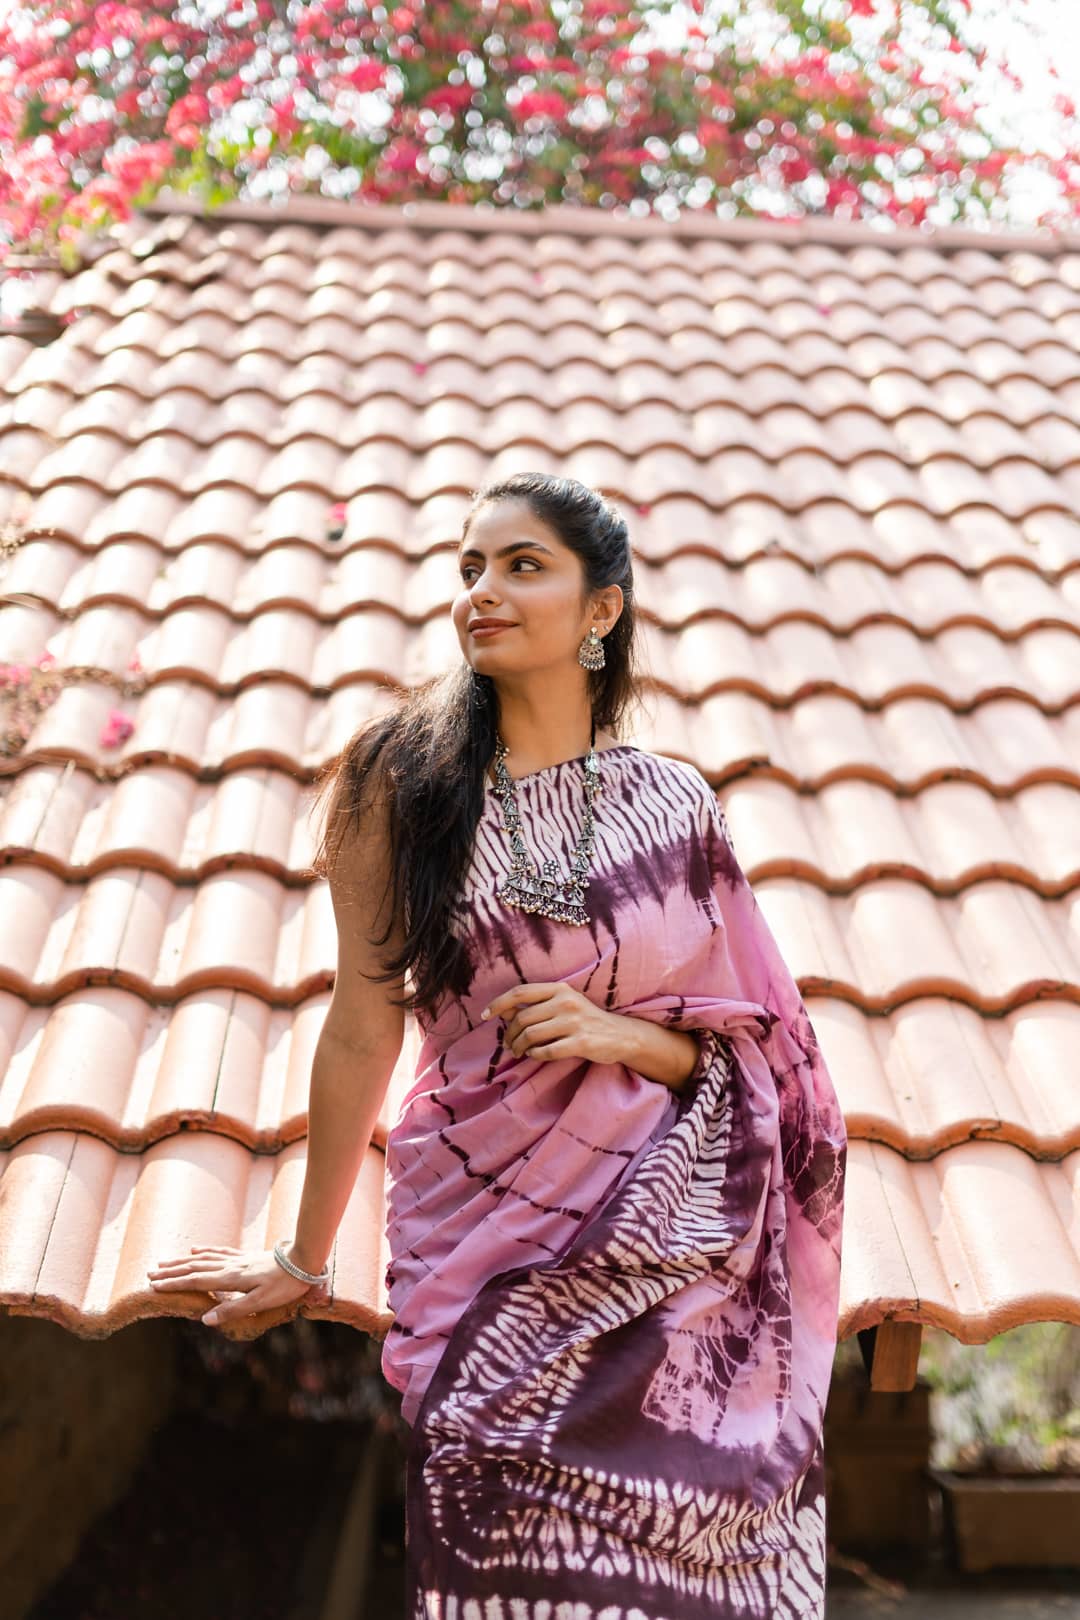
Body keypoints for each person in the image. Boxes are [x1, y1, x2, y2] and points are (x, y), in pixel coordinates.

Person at [148, 471, 848, 1619]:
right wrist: (301, 1257)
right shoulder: (403, 782)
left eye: (523, 567)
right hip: (484, 1273)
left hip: (670, 1283)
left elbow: (769, 1064)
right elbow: (363, 1026)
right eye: (471, 567)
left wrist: (626, 1035)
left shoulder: (677, 811)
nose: (483, 591)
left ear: (601, 611)